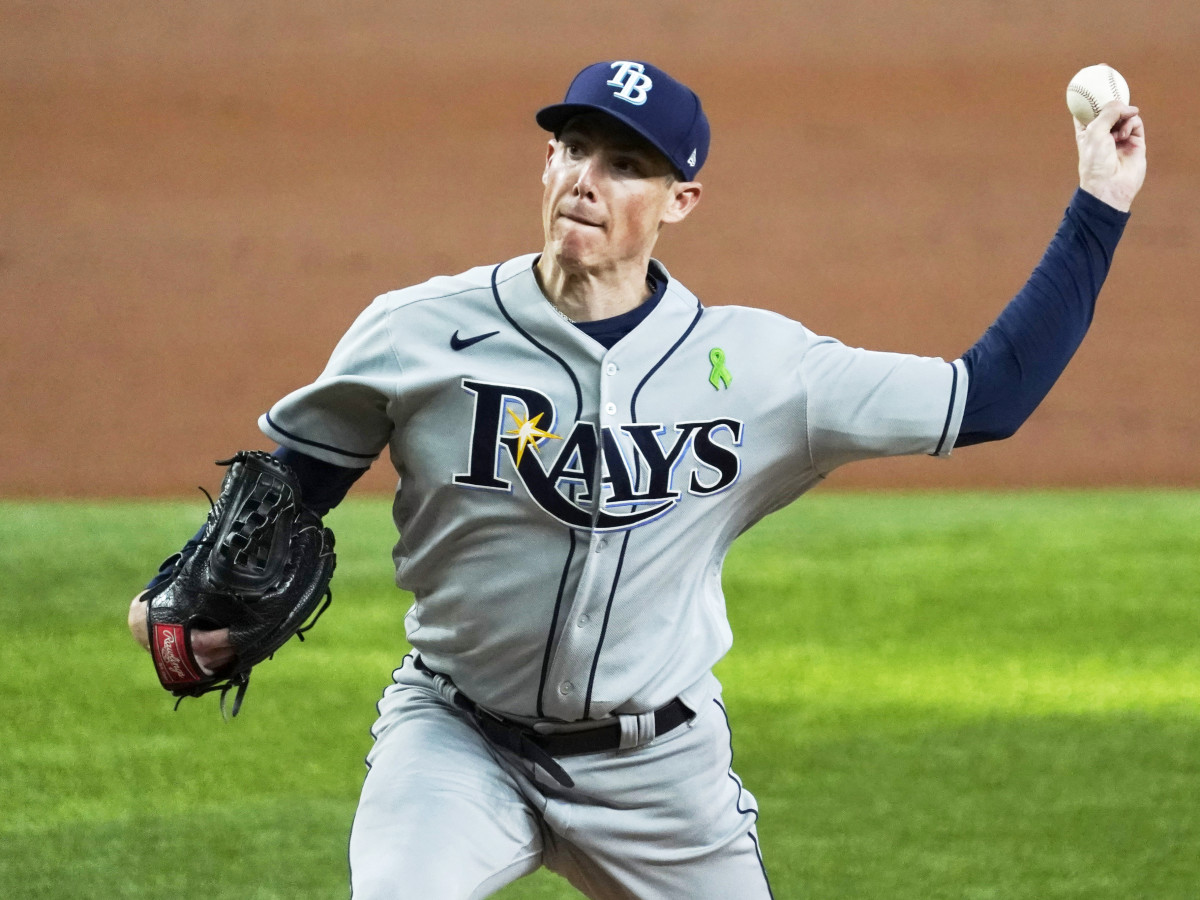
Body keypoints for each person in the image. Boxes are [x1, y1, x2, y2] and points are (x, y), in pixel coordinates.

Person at [128, 59, 1146, 899]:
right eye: (573, 149)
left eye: (626, 164)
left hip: (659, 773)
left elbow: (991, 396)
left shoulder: (762, 370)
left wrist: (1100, 205)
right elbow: (287, 487)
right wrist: (178, 594)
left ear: (680, 200)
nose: (587, 178)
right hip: (454, 736)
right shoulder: (419, 329)